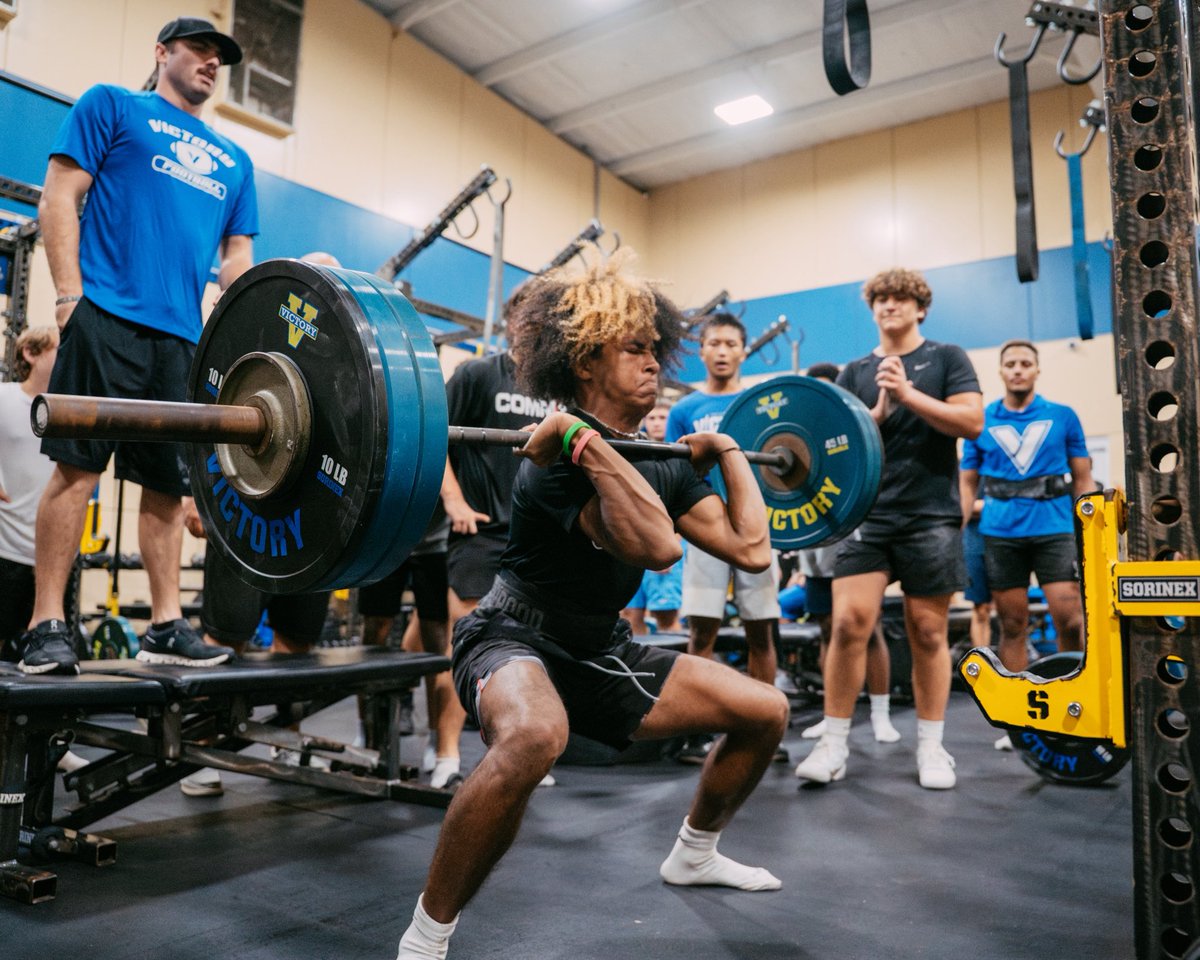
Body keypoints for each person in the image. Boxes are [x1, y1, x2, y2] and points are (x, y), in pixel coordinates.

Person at [395, 252, 789, 960]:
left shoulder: (657, 459)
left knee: (766, 710)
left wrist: (729, 450)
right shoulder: (547, 462)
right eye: (633, 350)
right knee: (534, 737)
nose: (653, 365)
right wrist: (579, 439)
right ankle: (427, 936)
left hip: (600, 649)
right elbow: (657, 547)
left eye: (653, 351)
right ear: (585, 363)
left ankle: (694, 854)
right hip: (511, 636)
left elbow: (752, 548)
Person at [17, 17, 257, 675]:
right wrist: (69, 297)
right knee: (77, 469)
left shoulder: (236, 162)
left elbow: (237, 259)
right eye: (200, 50)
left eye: (220, 57)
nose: (212, 63)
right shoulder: (113, 105)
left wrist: (257, 317)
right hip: (107, 314)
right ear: (162, 53)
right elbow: (60, 198)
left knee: (164, 485)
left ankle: (165, 624)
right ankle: (44, 623)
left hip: (182, 337)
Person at [795, 267, 982, 790]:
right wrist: (876, 411)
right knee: (850, 623)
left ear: (920, 308)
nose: (889, 306)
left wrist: (907, 394)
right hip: (867, 516)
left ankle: (932, 746)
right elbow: (836, 443)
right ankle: (833, 745)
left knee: (927, 632)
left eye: (900, 298)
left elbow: (970, 422)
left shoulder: (947, 358)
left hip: (930, 514)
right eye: (880, 298)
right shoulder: (854, 371)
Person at [439, 283, 559, 786]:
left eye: (546, 320)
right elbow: (432, 436)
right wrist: (454, 501)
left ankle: (515, 752)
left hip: (535, 541)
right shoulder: (476, 374)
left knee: (531, 651)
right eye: (528, 317)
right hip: (481, 533)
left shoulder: (556, 391)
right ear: (512, 321)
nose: (536, 327)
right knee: (469, 644)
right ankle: (446, 756)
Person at [959, 339, 1092, 750]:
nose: (1018, 370)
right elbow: (966, 485)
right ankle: (1018, 721)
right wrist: (953, 533)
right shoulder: (980, 422)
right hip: (1000, 534)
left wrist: (1087, 529)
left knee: (1070, 619)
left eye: (1025, 363)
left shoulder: (1062, 417)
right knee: (1012, 625)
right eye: (1011, 364)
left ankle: (1078, 705)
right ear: (1001, 372)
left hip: (1054, 530)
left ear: (1036, 370)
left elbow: (1083, 478)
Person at [666, 313, 785, 765]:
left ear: (742, 350)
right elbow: (671, 475)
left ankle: (765, 724)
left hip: (755, 529)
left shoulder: (762, 402)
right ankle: (700, 731)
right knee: (702, 631)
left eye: (730, 344)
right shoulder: (684, 409)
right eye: (713, 343)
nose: (721, 351)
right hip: (704, 530)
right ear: (702, 351)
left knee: (761, 630)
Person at [788, 362, 898, 744]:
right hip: (813, 546)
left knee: (868, 630)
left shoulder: (851, 434)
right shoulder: (798, 435)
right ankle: (830, 711)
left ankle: (882, 713)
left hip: (851, 539)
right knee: (825, 630)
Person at [357, 508, 460, 788]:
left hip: (434, 544)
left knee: (437, 645)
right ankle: (366, 732)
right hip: (384, 541)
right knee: (373, 635)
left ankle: (437, 738)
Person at [0, 327, 60, 661]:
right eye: (57, 349)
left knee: (40, 655)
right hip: (5, 552)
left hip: (48, 560)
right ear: (31, 354)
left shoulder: (67, 411)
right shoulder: (5, 397)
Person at [620, 399, 684, 635]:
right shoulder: (636, 453)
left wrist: (669, 542)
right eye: (653, 418)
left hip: (666, 543)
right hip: (634, 546)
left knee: (666, 616)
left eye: (663, 418)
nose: (657, 423)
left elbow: (682, 506)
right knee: (629, 615)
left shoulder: (679, 457)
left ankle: (677, 671)